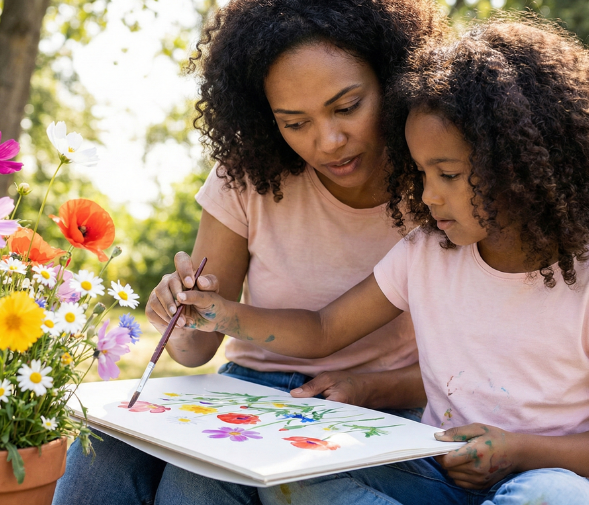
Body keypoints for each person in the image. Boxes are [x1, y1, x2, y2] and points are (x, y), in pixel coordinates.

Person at [173, 18, 589, 504]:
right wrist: (222, 313)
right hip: (432, 471)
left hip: (548, 471)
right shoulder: (425, 253)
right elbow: (323, 329)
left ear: (519, 165)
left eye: (449, 174)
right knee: (293, 471)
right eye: (420, 173)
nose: (428, 197)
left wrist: (519, 451)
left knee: (553, 495)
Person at [52, 1, 448, 504]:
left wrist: (371, 387)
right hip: (244, 389)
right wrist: (184, 313)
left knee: (195, 483)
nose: (328, 141)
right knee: (98, 447)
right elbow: (194, 350)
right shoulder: (248, 175)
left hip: (374, 405)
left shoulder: (440, 183)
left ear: (395, 80)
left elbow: (469, 368)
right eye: (294, 122)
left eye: (347, 107)